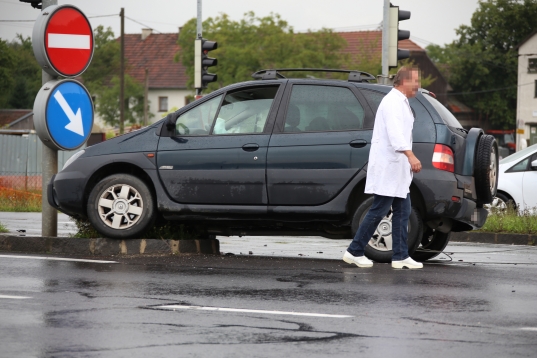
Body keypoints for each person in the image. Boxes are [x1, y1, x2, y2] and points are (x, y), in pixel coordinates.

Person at [343, 66, 424, 269]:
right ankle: (354, 251)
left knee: (402, 210)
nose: (418, 85)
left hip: (397, 170)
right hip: (390, 167)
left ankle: (400, 255)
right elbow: (396, 134)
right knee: (379, 209)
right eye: (416, 81)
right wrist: (411, 155)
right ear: (404, 81)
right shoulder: (392, 102)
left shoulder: (401, 102)